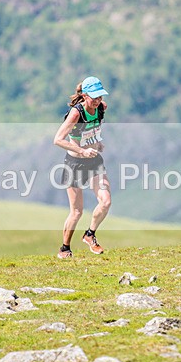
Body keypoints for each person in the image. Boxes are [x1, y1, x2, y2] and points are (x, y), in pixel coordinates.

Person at [52, 76, 112, 258]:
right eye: (94, 97)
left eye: (100, 96)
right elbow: (58, 140)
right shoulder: (76, 114)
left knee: (106, 201)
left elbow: (93, 129)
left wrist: (96, 142)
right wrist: (82, 150)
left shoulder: (102, 108)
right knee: (77, 212)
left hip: (94, 161)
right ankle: (65, 248)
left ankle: (90, 234)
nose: (98, 100)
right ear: (85, 96)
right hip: (75, 164)